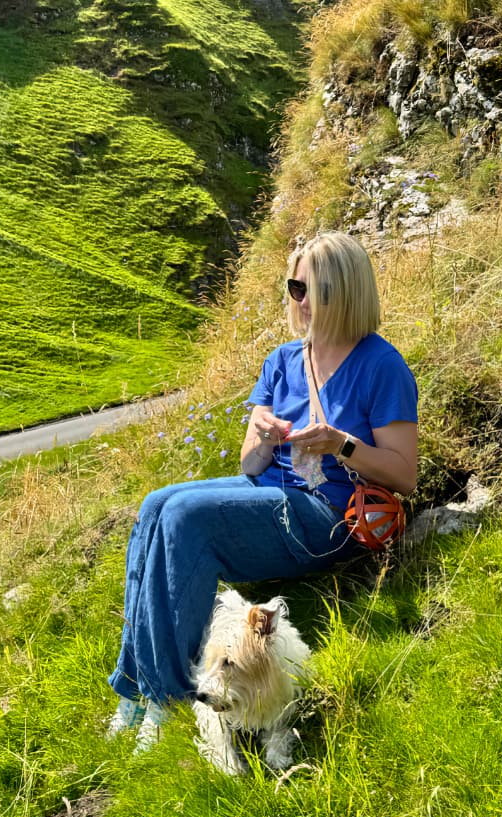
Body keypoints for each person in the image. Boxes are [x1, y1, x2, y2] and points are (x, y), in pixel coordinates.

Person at [106, 232, 418, 750]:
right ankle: (136, 688)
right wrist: (261, 432)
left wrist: (341, 444)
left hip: (328, 515)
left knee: (186, 517)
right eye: (291, 286)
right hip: (270, 492)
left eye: (305, 287)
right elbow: (249, 465)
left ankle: (165, 698)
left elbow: (403, 474)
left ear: (340, 292)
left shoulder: (381, 366)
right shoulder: (283, 360)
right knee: (157, 504)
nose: (294, 298)